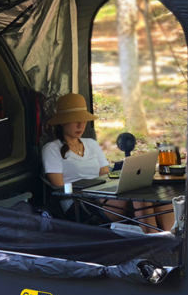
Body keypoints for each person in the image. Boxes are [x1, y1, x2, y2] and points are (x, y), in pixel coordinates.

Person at [42, 93, 173, 232]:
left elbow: (105, 175)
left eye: (83, 120)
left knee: (149, 190)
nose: (81, 125)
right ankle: (153, 238)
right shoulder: (52, 149)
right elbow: (59, 187)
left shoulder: (91, 144)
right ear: (62, 122)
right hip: (77, 202)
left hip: (101, 195)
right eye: (75, 120)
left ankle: (172, 234)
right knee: (137, 194)